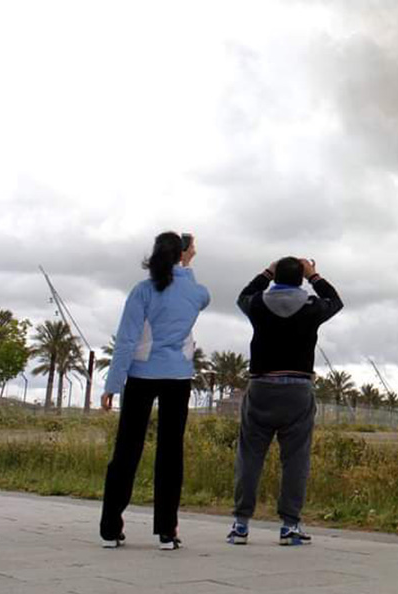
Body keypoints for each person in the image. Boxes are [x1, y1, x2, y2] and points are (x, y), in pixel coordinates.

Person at [99, 231, 209, 550]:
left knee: (126, 450)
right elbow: (197, 293)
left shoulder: (142, 292)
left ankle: (110, 528)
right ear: (183, 254)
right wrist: (186, 266)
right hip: (177, 377)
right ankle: (166, 531)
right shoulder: (197, 293)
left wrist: (112, 384)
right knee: (170, 453)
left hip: (141, 375)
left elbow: (126, 340)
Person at [227, 255, 343, 546]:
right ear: (301, 277)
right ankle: (289, 526)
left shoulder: (257, 305)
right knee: (295, 459)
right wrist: (314, 275)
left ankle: (241, 524)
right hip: (298, 390)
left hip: (261, 387)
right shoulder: (312, 307)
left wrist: (266, 270)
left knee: (250, 456)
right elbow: (336, 301)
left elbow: (243, 295)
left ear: (275, 276)